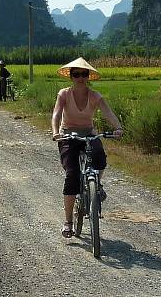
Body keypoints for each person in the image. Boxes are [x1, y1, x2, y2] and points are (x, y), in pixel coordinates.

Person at [51, 57, 122, 238]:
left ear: (88, 76)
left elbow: (108, 113)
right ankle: (68, 222)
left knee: (100, 159)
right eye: (76, 74)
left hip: (89, 133)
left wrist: (118, 128)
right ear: (71, 77)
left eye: (84, 74)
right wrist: (55, 132)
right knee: (72, 175)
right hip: (68, 135)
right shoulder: (64, 94)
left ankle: (96, 185)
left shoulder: (95, 96)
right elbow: (56, 114)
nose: (80, 77)